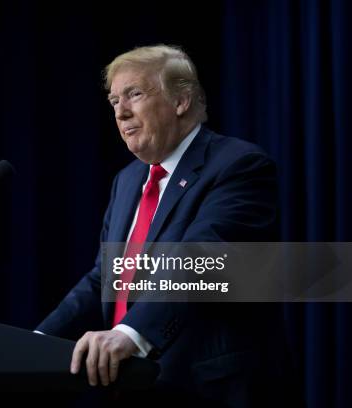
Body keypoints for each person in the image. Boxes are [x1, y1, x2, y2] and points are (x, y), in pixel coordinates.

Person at [36, 45, 299, 406]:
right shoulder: (127, 181)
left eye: (135, 94)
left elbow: (201, 257)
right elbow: (104, 277)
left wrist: (132, 332)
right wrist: (37, 341)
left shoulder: (238, 165)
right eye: (114, 101)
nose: (121, 111)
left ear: (181, 101)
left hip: (210, 390)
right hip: (131, 388)